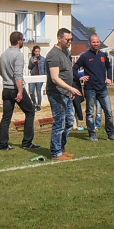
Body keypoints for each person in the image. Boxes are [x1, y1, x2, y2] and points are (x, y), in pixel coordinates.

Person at [0, 31, 40, 151]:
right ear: (20, 40)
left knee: (6, 117)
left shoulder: (4, 54)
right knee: (30, 111)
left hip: (6, 88)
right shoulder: (19, 55)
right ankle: (27, 142)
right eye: (23, 40)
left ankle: (3, 144)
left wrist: (7, 80)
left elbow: (1, 71)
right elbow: (18, 75)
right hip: (15, 88)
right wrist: (20, 91)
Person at [74, 34, 114, 142]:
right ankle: (92, 134)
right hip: (90, 89)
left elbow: (109, 67)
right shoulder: (85, 56)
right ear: (90, 43)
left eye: (98, 42)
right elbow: (74, 68)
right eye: (94, 42)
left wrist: (109, 78)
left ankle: (111, 134)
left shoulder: (103, 55)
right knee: (90, 112)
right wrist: (81, 76)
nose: (96, 44)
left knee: (108, 111)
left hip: (103, 89)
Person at [45, 28, 80, 161]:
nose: (69, 42)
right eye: (67, 39)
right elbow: (55, 78)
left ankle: (62, 149)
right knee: (59, 123)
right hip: (57, 94)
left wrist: (70, 90)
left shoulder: (66, 52)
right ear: (59, 38)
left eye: (71, 39)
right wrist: (70, 88)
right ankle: (56, 153)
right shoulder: (54, 55)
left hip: (66, 93)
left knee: (69, 122)